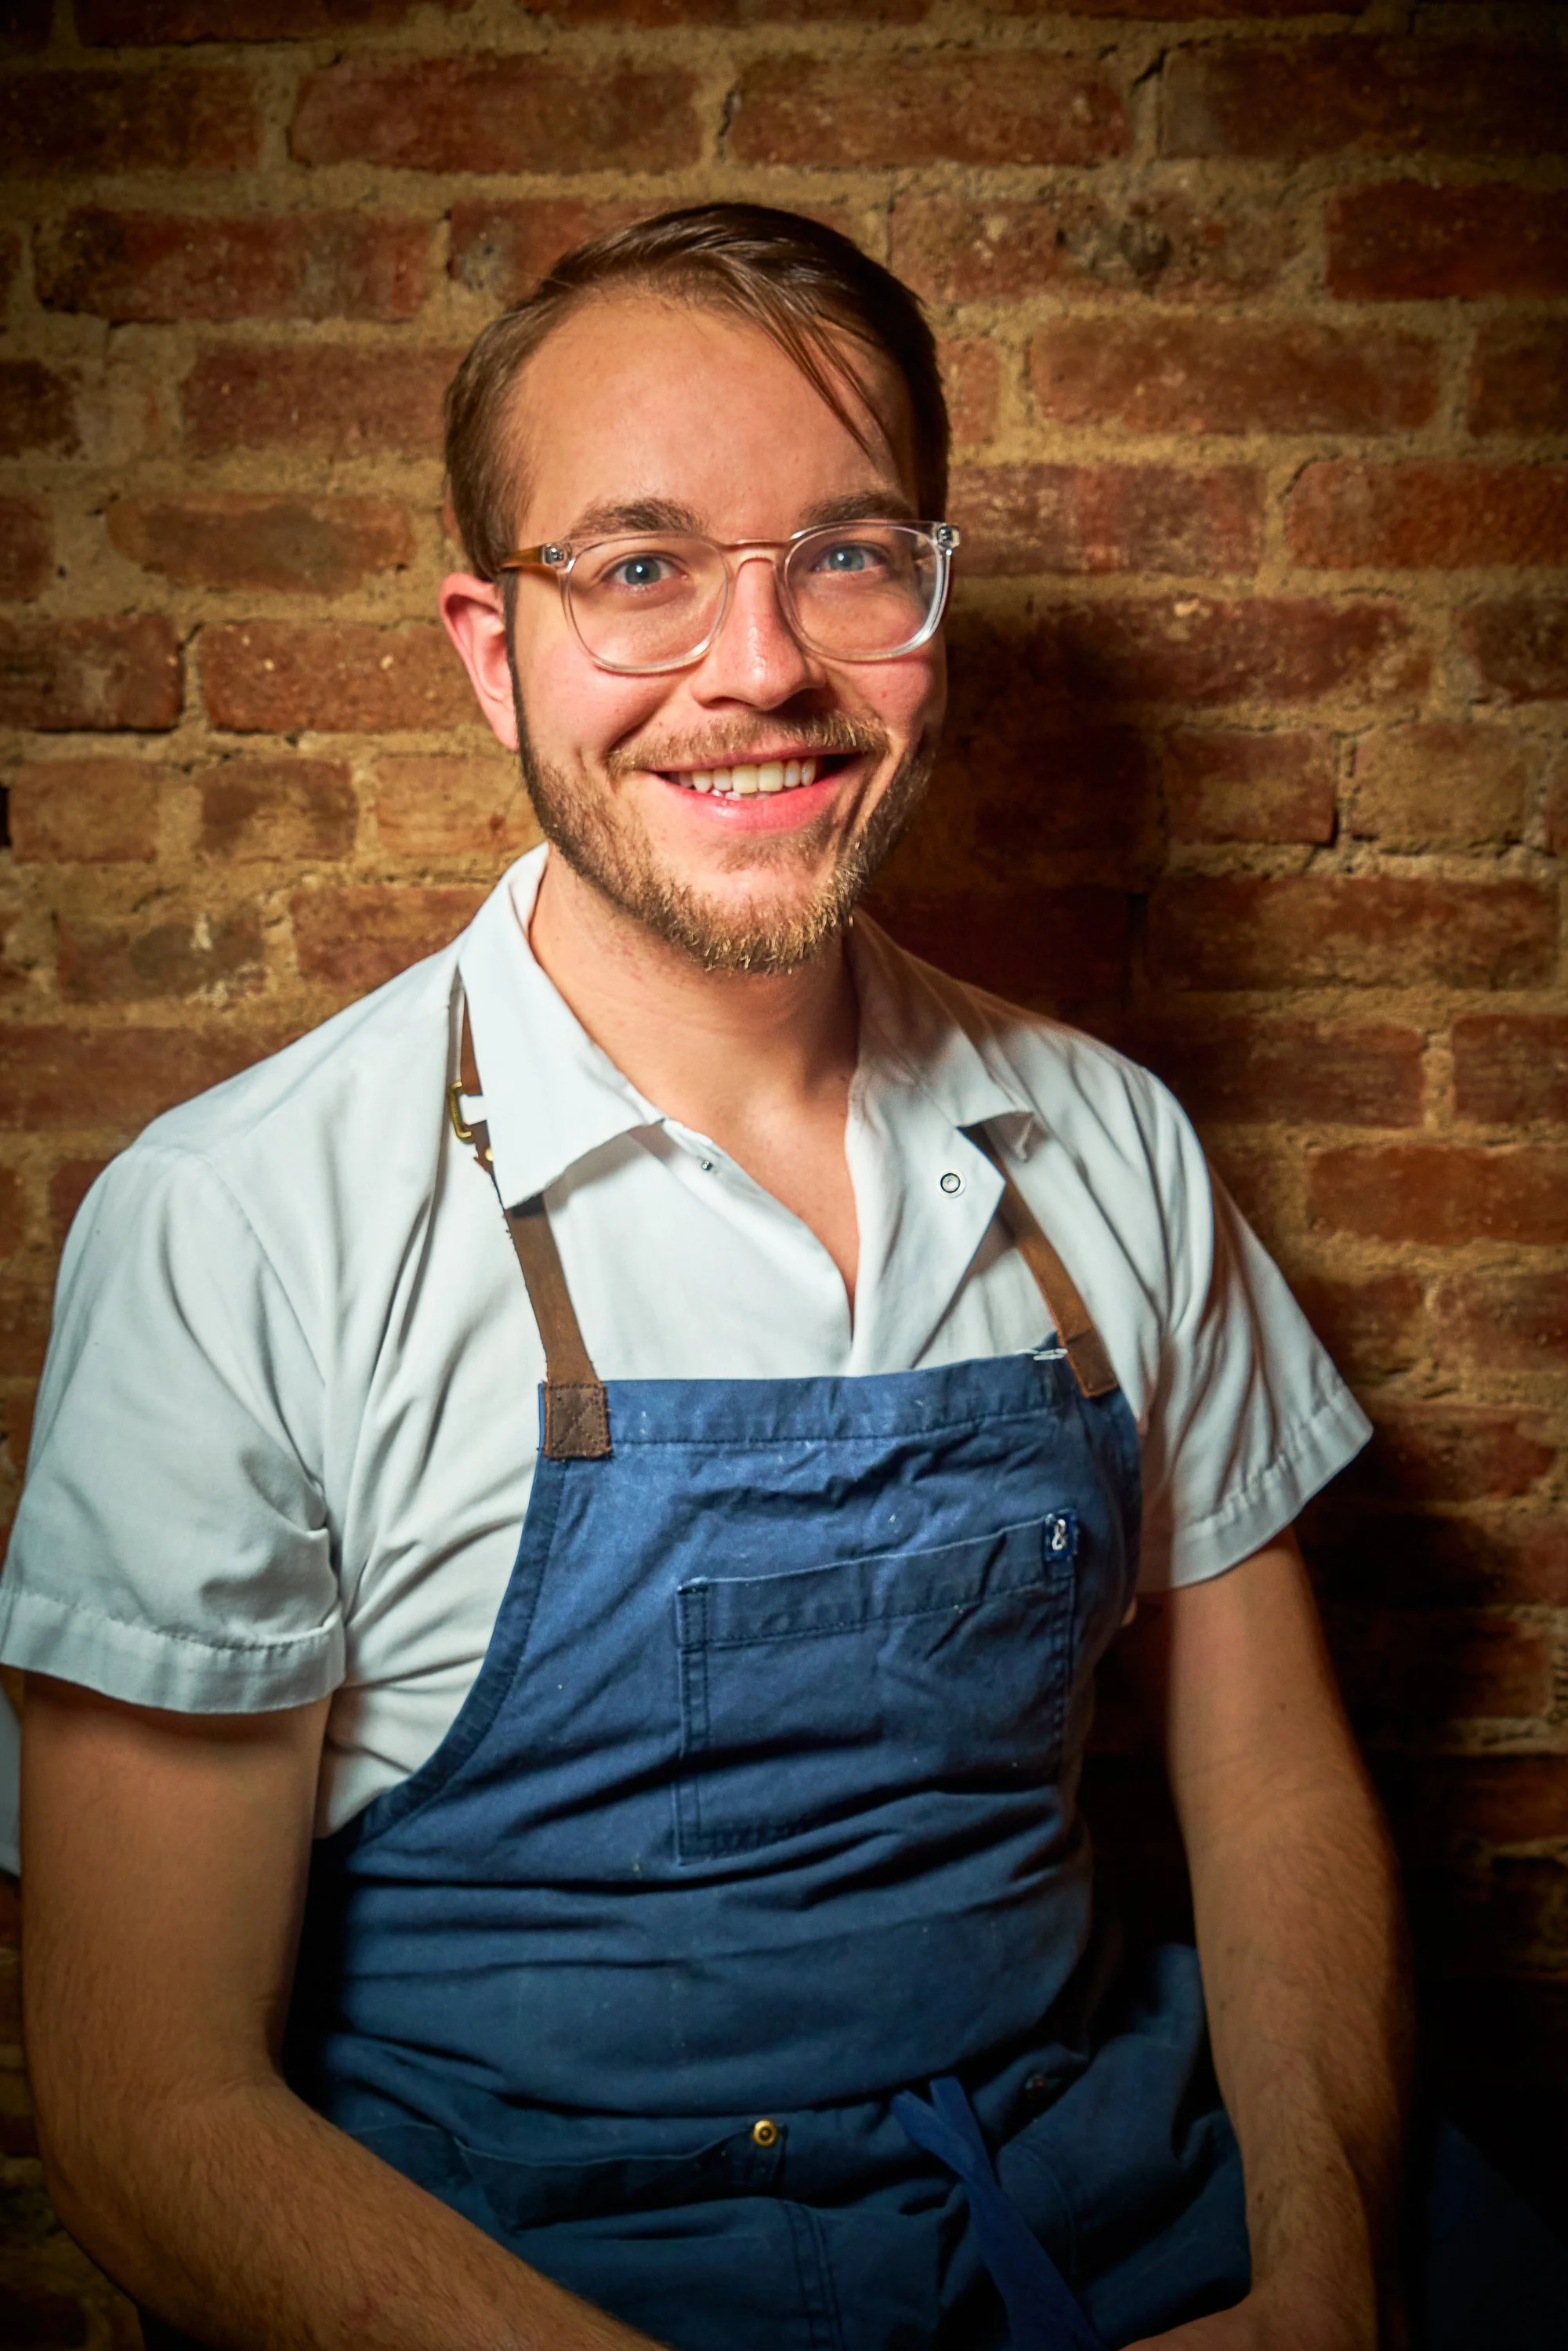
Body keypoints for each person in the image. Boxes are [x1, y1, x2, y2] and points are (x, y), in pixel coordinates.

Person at [5, 205, 1563, 2351]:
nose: (759, 668)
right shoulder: (240, 1227)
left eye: (845, 555)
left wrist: (1321, 2273)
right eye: (640, 567)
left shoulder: (1108, 1144)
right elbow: (150, 2107)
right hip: (523, 2270)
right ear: (494, 648)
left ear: (929, 598)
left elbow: (1275, 1778)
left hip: (1109, 2192)